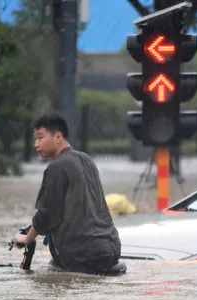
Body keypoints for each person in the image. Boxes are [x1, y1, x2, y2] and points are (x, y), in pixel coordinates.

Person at [13, 114, 122, 275]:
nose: (36, 144)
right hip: (111, 249)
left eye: (40, 138)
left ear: (58, 136)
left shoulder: (57, 167)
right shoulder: (87, 160)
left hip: (81, 255)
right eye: (35, 139)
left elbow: (46, 215)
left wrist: (26, 239)